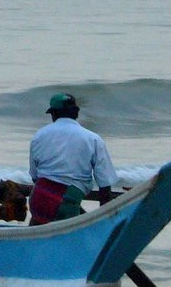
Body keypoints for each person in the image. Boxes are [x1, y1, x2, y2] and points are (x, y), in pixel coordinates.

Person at [28, 92, 119, 225]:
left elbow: (35, 176)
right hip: (68, 200)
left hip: (39, 196)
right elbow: (104, 184)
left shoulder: (39, 136)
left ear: (53, 114)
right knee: (69, 239)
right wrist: (104, 222)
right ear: (76, 113)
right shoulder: (93, 139)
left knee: (37, 235)